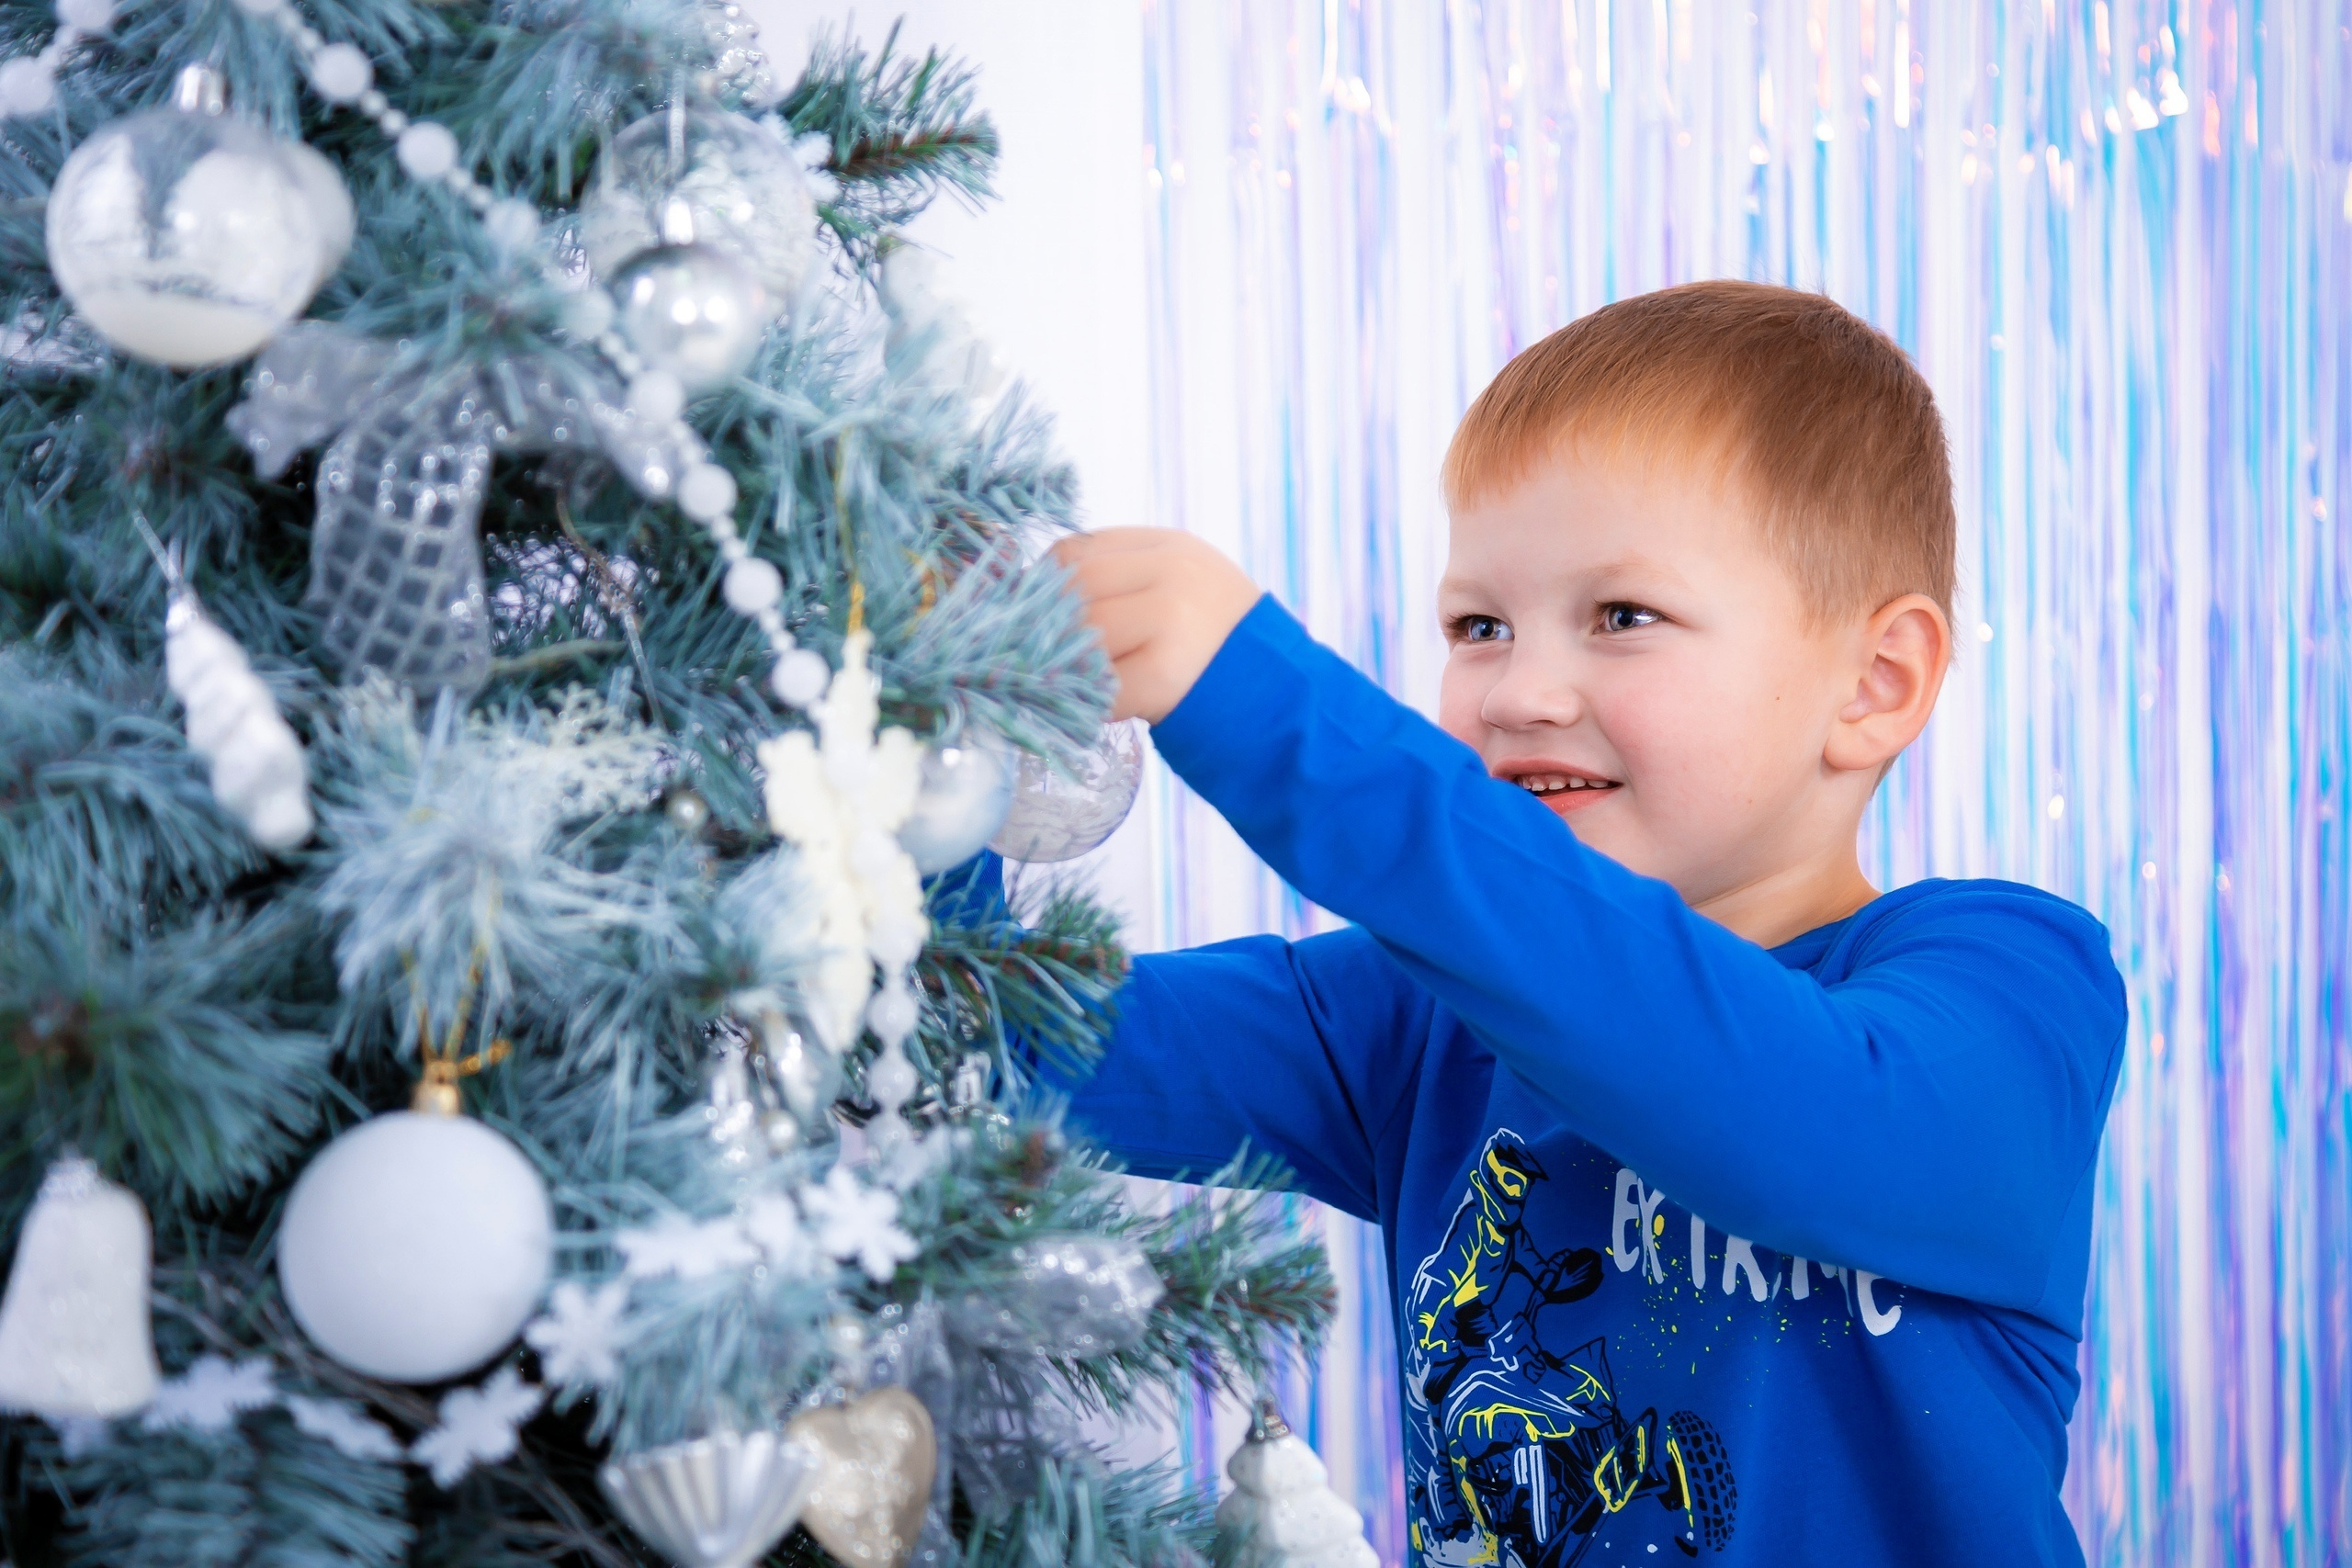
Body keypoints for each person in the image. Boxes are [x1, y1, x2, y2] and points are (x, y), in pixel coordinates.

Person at [1040, 280, 2127, 1568]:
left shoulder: (2013, 988)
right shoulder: (1413, 1021)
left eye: (1623, 617)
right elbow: (1015, 1041)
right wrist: (908, 788)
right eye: (1478, 625)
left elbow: (1775, 1107)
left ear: (1873, 685)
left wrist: (1274, 717)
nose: (1518, 690)